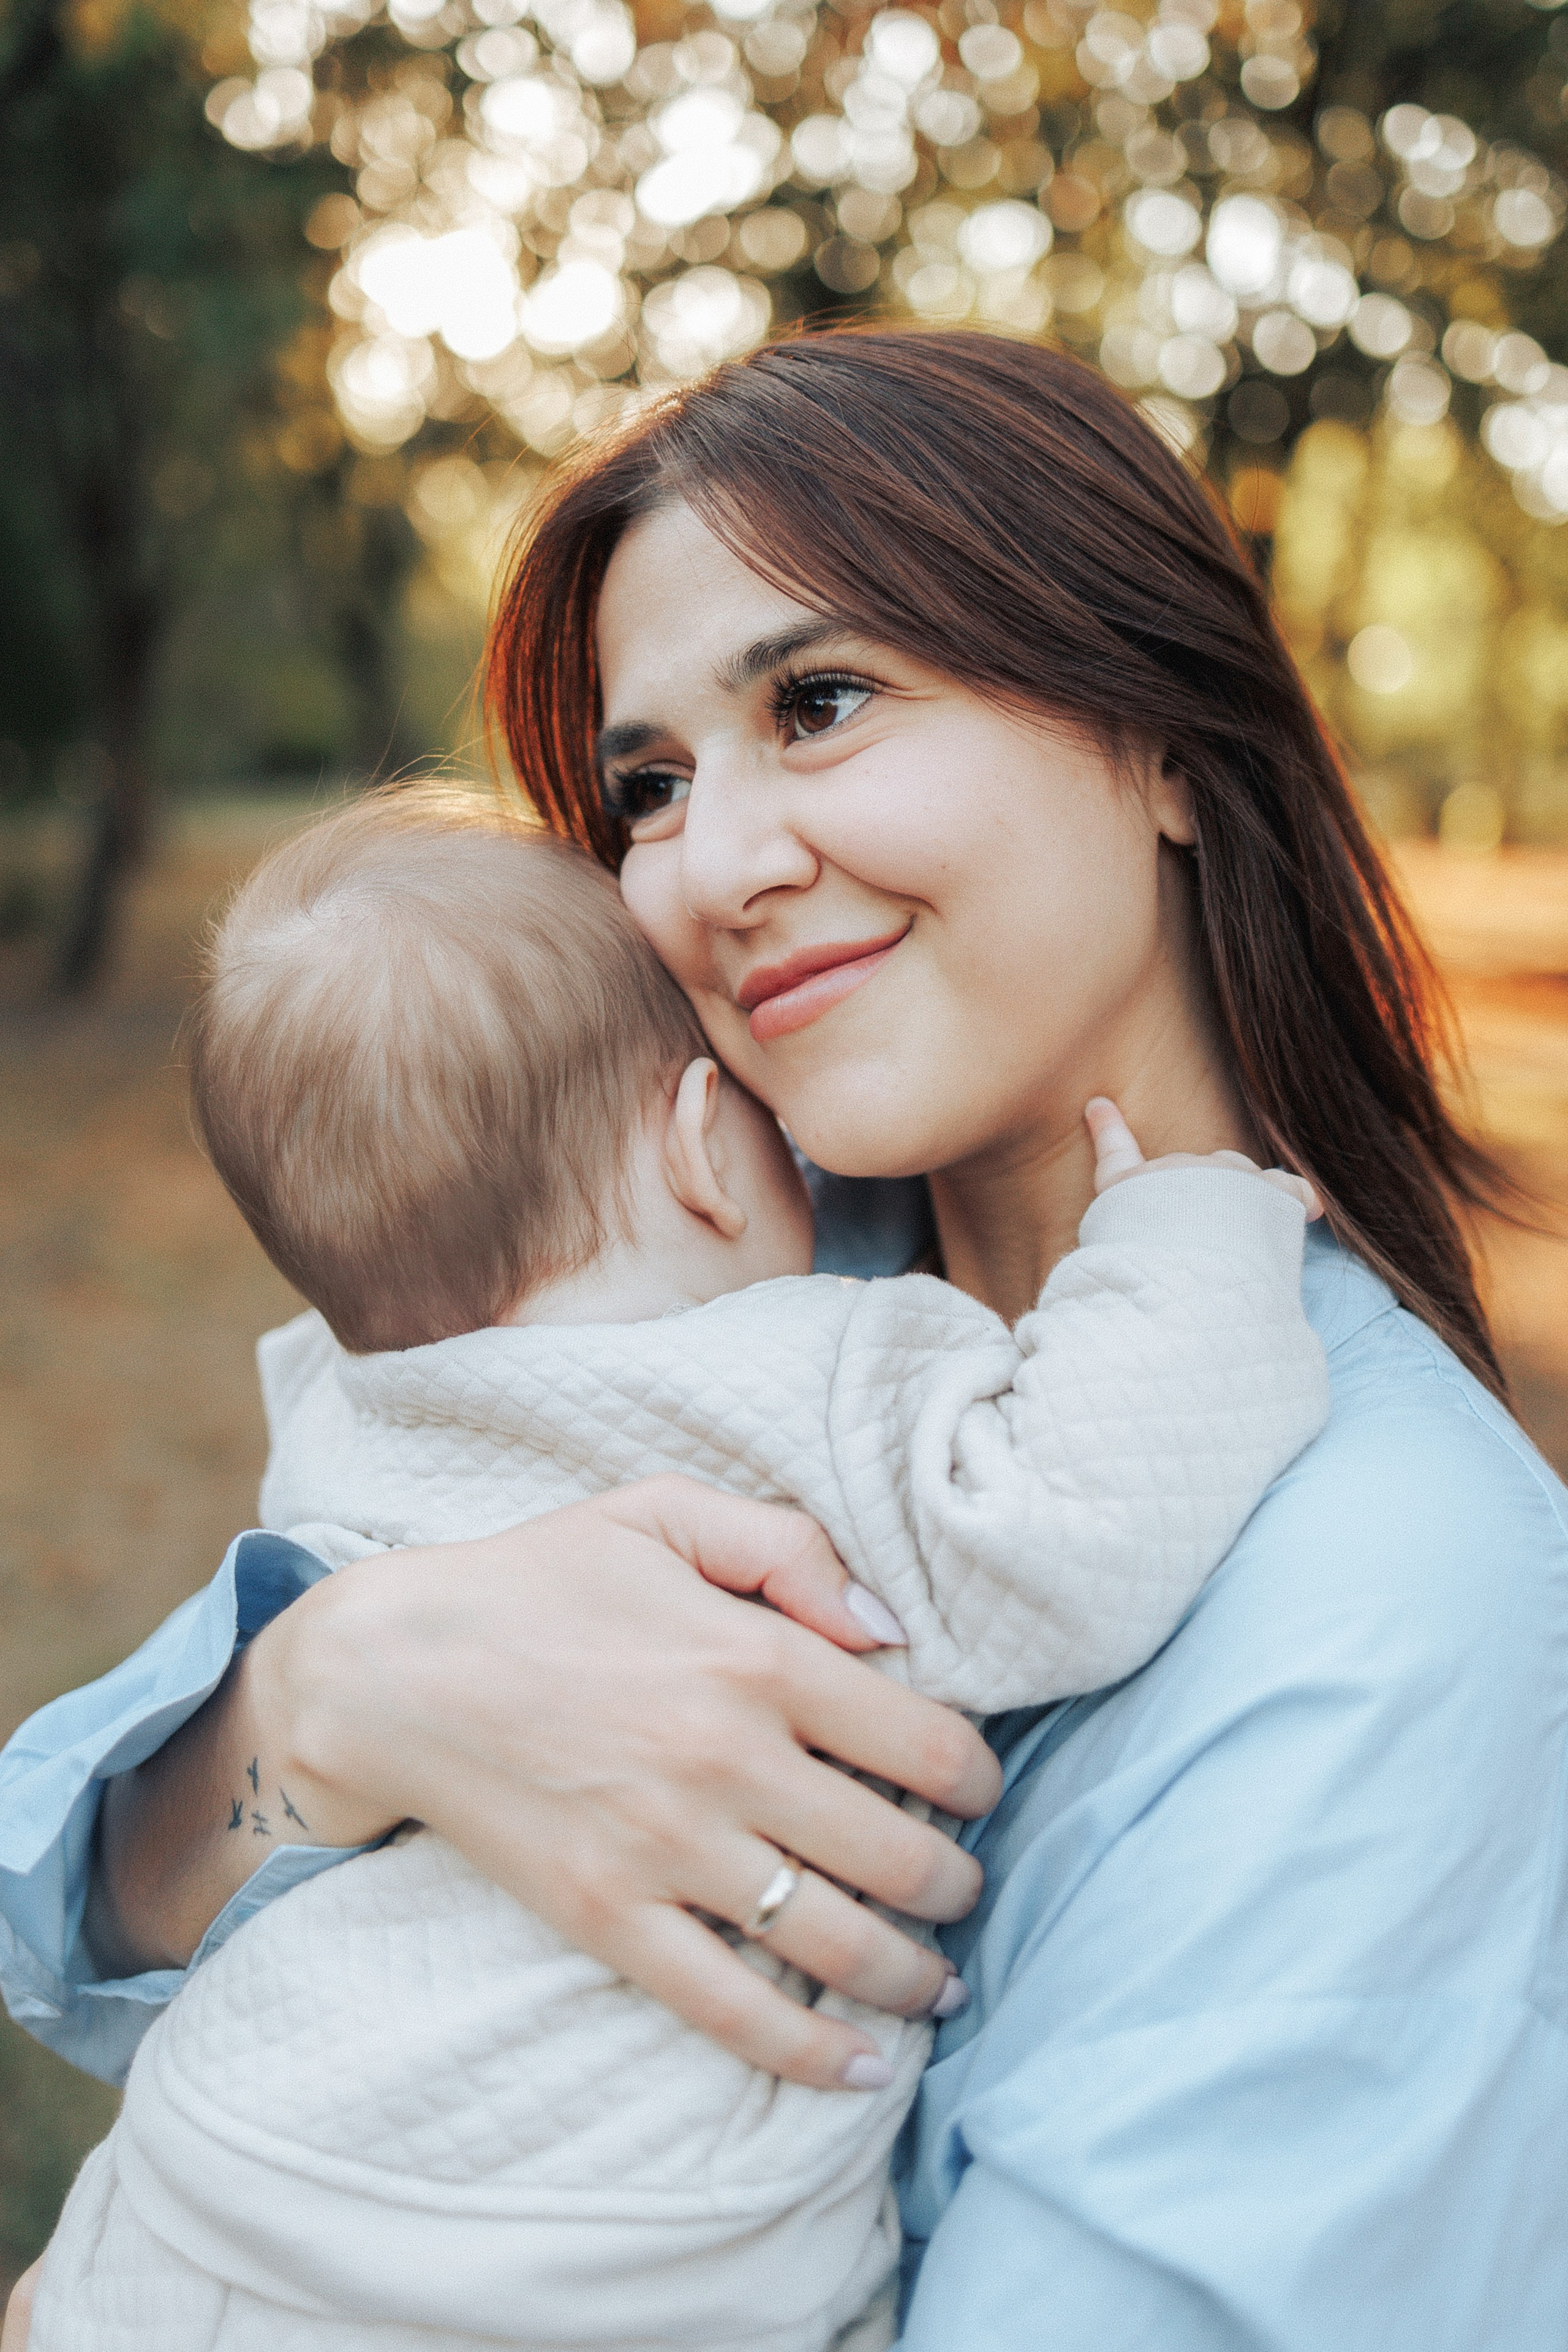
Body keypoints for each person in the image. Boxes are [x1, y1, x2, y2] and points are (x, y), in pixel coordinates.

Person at [4, 328, 1568, 2349]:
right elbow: (68, 1878)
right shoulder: (709, 1278)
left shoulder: (1396, 1606)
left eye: (819, 704)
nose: (710, 870)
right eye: (645, 786)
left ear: (1169, 737)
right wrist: (333, 1697)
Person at [30, 786, 1324, 2350]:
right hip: (591, 2262)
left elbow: (103, 1867)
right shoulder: (811, 1385)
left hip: (190, 2198)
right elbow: (1076, 1522)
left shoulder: (339, 1402)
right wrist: (1189, 1219)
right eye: (651, 788)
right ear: (709, 1145)